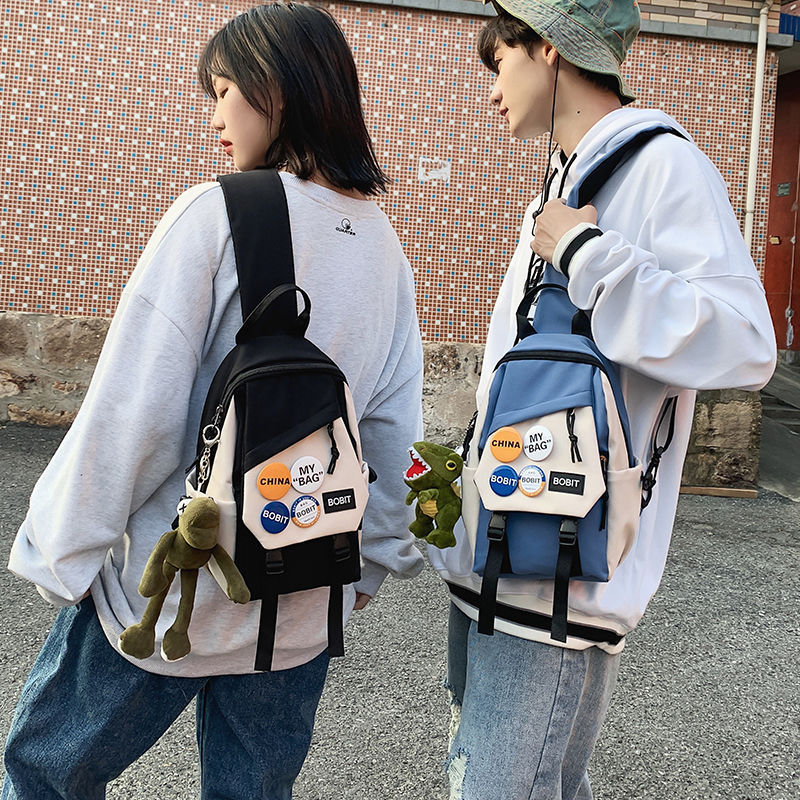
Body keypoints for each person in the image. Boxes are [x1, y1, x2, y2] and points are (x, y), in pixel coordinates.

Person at [2, 4, 424, 799]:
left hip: (176, 593)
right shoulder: (381, 243)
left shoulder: (219, 213)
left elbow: (136, 406)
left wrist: (64, 550)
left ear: (278, 89)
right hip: (302, 594)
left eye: (225, 91)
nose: (215, 118)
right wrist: (374, 557)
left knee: (44, 774)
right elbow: (391, 421)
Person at [428, 2, 777, 798]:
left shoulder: (662, 166)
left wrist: (588, 255)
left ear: (550, 48)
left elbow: (746, 342)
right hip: (506, 555)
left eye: (499, 63)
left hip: (559, 580)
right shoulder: (567, 176)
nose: (491, 92)